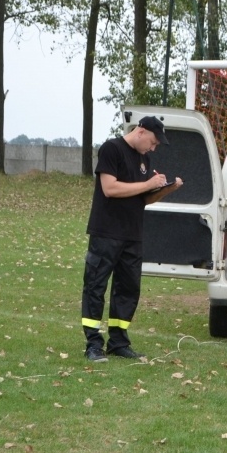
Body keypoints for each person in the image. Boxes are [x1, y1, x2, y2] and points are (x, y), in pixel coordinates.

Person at [81, 116, 184, 362]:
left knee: (128, 290)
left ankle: (118, 342)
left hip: (132, 235)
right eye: (153, 141)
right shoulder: (112, 149)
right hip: (106, 232)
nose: (154, 147)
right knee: (96, 286)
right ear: (141, 131)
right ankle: (93, 345)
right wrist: (148, 183)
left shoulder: (144, 159)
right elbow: (110, 188)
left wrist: (166, 188)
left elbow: (143, 199)